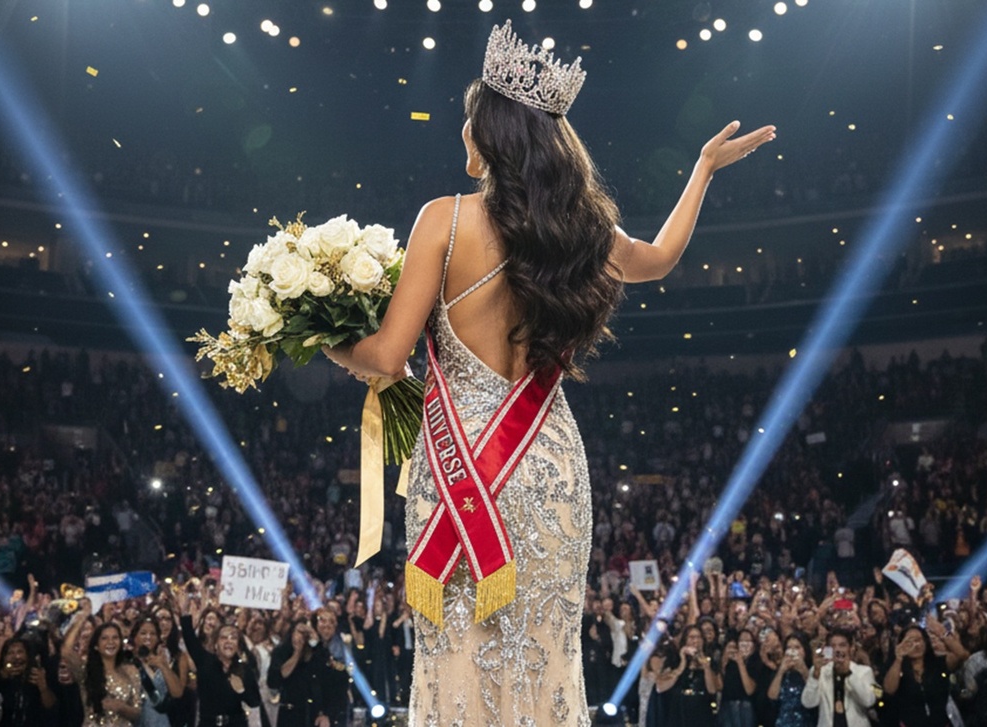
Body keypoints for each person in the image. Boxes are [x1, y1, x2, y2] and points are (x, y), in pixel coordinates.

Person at [322, 19, 774, 725]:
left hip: (458, 466)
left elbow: (386, 356)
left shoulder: (443, 220)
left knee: (458, 650)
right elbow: (659, 258)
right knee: (545, 651)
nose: (462, 132)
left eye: (469, 120)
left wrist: (330, 344)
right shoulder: (582, 231)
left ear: (491, 133)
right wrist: (702, 170)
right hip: (549, 462)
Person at [174, 592, 260, 727]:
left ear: (238, 645)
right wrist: (185, 613)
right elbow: (189, 637)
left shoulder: (244, 669)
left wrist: (242, 690)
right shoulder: (205, 661)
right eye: (223, 637)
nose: (228, 641)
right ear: (216, 644)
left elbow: (255, 701)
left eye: (233, 638)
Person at [61, 604, 143, 727]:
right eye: (104, 638)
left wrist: (121, 707)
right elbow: (66, 651)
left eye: (115, 638)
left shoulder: (131, 671)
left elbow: (137, 713)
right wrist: (81, 620)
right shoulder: (86, 670)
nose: (110, 642)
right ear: (96, 645)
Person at [265, 617, 346, 727]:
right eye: (300, 632)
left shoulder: (320, 653)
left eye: (307, 632)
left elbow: (331, 685)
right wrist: (297, 653)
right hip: (290, 713)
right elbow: (274, 681)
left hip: (314, 714)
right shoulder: (281, 651)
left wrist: (326, 714)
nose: (303, 636)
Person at [801, 630, 877, 727]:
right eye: (833, 646)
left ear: (851, 648)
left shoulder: (864, 672)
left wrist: (849, 673)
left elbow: (869, 701)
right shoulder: (820, 671)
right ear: (827, 650)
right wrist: (815, 675)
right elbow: (808, 703)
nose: (837, 650)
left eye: (842, 645)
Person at [652, 625, 721, 726]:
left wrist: (705, 666)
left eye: (699, 637)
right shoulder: (674, 660)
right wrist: (681, 665)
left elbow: (712, 690)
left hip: (701, 712)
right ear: (685, 640)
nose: (696, 641)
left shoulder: (710, 662)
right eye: (692, 637)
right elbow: (660, 687)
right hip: (678, 712)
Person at [882, 626, 950, 727]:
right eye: (910, 642)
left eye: (918, 640)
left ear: (926, 642)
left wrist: (943, 634)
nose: (916, 645)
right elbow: (889, 690)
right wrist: (899, 658)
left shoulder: (937, 663)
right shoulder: (897, 667)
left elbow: (961, 655)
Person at [130, 617, 185, 727]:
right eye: (143, 633)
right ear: (135, 637)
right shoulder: (127, 661)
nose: (148, 637)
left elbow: (177, 693)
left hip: (160, 721)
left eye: (153, 634)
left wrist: (163, 666)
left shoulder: (162, 661)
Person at [0, 636, 57, 727]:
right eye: (10, 653)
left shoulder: (37, 677)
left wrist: (43, 687)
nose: (16, 657)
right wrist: (1, 678)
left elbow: (50, 707)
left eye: (20, 652)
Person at [766, 633, 814, 727]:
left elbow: (815, 695)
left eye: (797, 647)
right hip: (783, 722)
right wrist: (781, 671)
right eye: (789, 648)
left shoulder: (812, 670)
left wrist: (803, 670)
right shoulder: (781, 673)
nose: (792, 651)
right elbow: (772, 697)